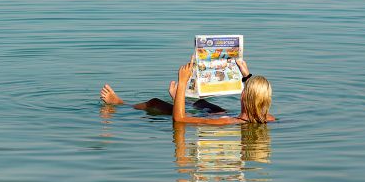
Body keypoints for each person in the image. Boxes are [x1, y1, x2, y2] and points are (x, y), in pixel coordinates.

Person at [100, 58, 276, 124]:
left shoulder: (227, 122)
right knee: (201, 102)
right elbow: (256, 97)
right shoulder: (268, 118)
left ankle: (119, 104)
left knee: (154, 102)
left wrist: (183, 82)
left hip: (214, 120)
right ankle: (181, 100)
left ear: (245, 95)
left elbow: (180, 119)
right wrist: (246, 75)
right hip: (223, 114)